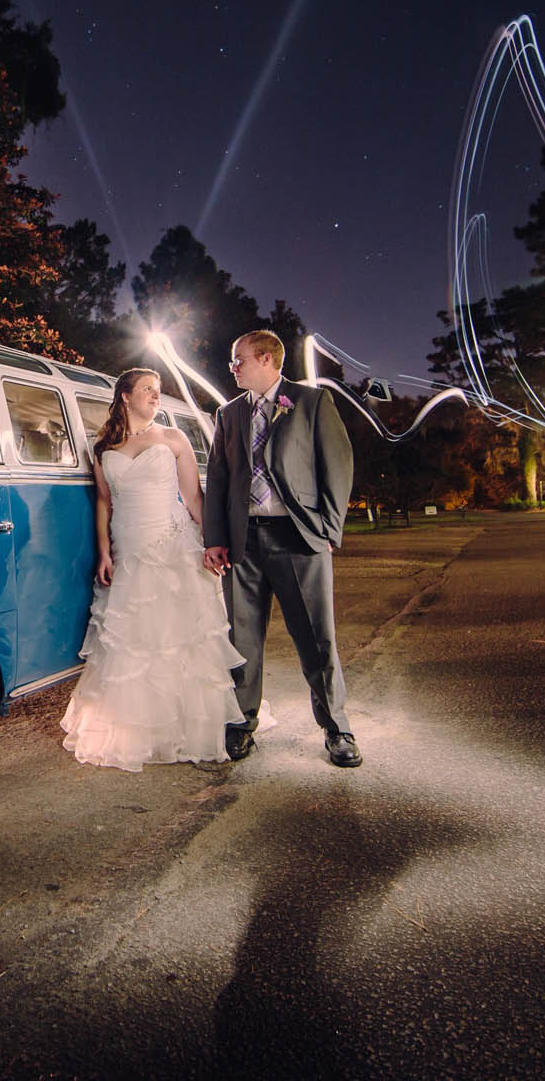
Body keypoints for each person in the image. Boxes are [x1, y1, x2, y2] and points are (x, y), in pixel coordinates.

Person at [61, 368, 246, 771]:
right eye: (147, 390)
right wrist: (104, 552)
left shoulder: (172, 438)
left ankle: (188, 729)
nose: (155, 396)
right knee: (133, 643)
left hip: (172, 546)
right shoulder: (102, 446)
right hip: (128, 550)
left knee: (176, 639)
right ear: (125, 397)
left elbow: (193, 498)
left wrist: (213, 541)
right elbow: (104, 503)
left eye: (158, 391)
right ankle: (138, 732)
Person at [202, 329, 361, 767]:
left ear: (267, 359)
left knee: (316, 637)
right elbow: (217, 479)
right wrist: (215, 538)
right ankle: (241, 724)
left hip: (298, 536)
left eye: (239, 360)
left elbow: (338, 467)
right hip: (242, 542)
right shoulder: (228, 414)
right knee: (242, 638)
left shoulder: (311, 404)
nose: (232, 368)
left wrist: (329, 528)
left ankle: (337, 728)